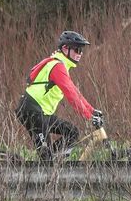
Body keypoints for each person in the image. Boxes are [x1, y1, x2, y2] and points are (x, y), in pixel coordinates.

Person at [16, 30, 104, 159]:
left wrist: (92, 111)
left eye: (81, 51)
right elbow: (71, 95)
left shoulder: (62, 66)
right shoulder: (57, 66)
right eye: (77, 50)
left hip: (42, 113)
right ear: (65, 48)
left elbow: (75, 92)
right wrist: (88, 117)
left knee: (72, 132)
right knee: (46, 157)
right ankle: (48, 165)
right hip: (32, 110)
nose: (80, 54)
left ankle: (55, 163)